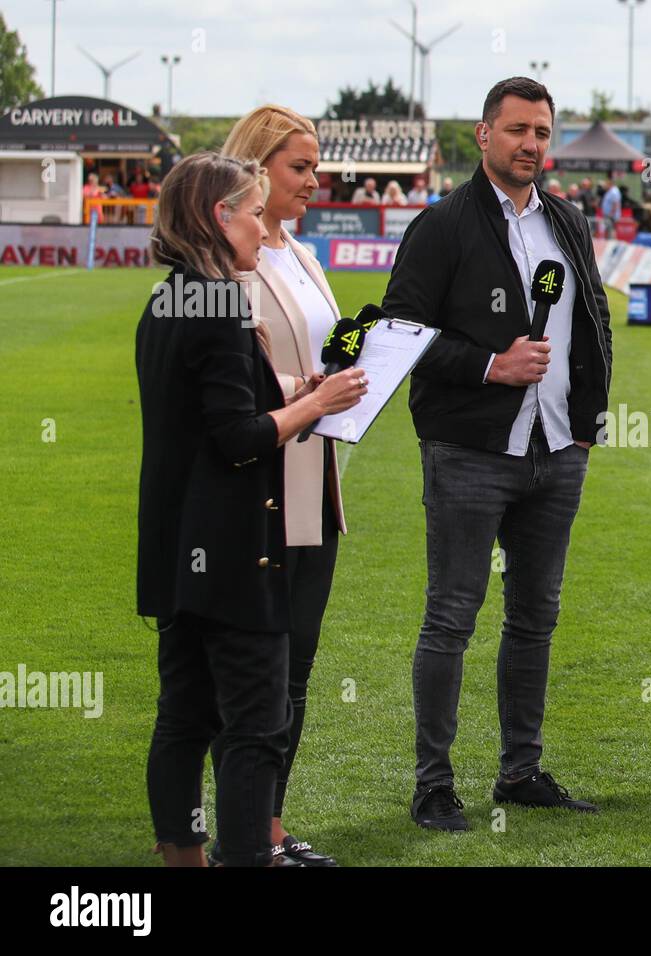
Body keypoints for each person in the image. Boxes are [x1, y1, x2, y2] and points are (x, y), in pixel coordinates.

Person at [382, 76, 613, 832]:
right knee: (451, 618)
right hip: (471, 451)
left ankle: (520, 771)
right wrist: (490, 366)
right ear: (484, 135)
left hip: (557, 452)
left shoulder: (569, 222)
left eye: (542, 132)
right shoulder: (443, 225)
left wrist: (588, 418)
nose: (531, 145)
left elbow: (595, 321)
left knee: (536, 619)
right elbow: (398, 332)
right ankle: (433, 786)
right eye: (517, 130)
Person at [137, 152, 366, 867]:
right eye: (253, 212)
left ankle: (183, 856)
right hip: (236, 553)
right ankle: (245, 855)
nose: (263, 228)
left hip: (180, 552)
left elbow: (212, 401)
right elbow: (236, 437)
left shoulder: (172, 296)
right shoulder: (219, 303)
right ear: (219, 217)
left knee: (184, 718)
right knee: (257, 727)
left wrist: (294, 383)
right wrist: (313, 404)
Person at [221, 104, 352, 867]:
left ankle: (268, 830)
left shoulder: (299, 252)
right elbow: (229, 387)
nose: (314, 180)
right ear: (258, 166)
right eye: (300, 167)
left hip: (319, 487)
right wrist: (306, 394)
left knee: (294, 671)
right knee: (255, 680)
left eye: (314, 166)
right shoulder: (228, 264)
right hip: (261, 491)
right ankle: (242, 837)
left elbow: (315, 351)